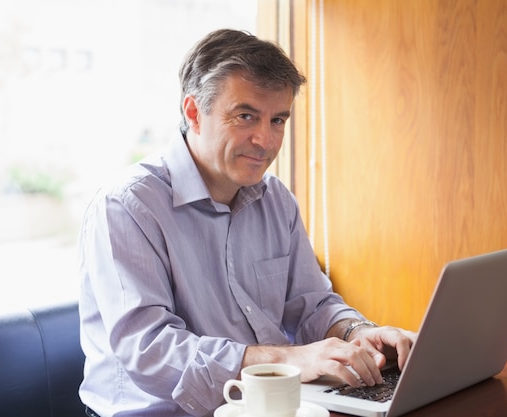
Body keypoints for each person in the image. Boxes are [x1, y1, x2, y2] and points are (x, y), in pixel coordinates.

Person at [78, 29, 416, 417]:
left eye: (277, 120)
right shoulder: (127, 205)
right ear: (193, 113)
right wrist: (287, 361)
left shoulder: (275, 198)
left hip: (264, 405)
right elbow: (150, 351)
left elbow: (312, 304)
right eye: (246, 116)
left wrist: (358, 333)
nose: (266, 140)